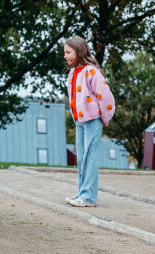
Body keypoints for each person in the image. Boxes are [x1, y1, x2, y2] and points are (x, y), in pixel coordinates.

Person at [63, 36, 115, 207]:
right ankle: (82, 193)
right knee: (81, 159)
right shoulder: (72, 73)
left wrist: (106, 117)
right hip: (80, 121)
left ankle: (88, 197)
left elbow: (105, 96)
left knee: (90, 158)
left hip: (93, 121)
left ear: (79, 52)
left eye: (68, 52)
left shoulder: (91, 71)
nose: (65, 56)